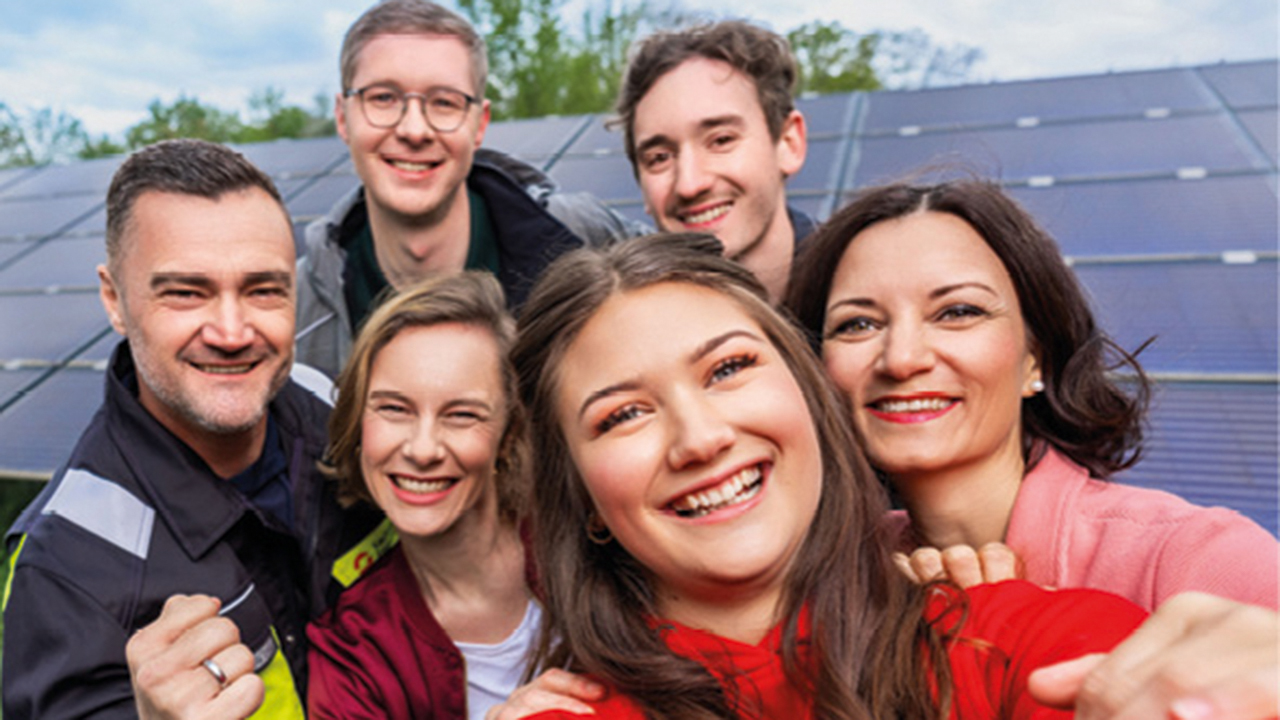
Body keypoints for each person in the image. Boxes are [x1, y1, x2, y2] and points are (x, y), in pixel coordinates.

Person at [507, 232, 1156, 719]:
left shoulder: (1010, 642)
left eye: (729, 369)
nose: (700, 439)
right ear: (582, 496)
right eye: (623, 415)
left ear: (810, 398)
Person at [2, 139, 386, 719]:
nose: (232, 332)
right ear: (114, 299)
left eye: (263, 289)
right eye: (186, 292)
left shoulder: (336, 412)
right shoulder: (63, 572)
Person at [785, 178, 1279, 611]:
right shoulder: (821, 583)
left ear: (1035, 357)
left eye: (958, 312)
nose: (901, 358)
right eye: (858, 324)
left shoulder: (1195, 562)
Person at [297, 0, 643, 379]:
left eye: (444, 102)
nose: (414, 129)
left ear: (479, 124)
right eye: (383, 98)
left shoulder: (585, 237)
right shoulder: (295, 307)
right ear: (343, 117)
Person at [306, 272, 539, 719]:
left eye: (461, 415)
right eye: (394, 409)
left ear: (507, 436)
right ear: (358, 424)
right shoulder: (351, 650)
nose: (422, 449)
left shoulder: (593, 551)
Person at [614, 21, 815, 301]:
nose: (689, 184)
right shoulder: (627, 328)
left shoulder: (868, 295)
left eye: (721, 140)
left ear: (788, 144)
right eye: (659, 158)